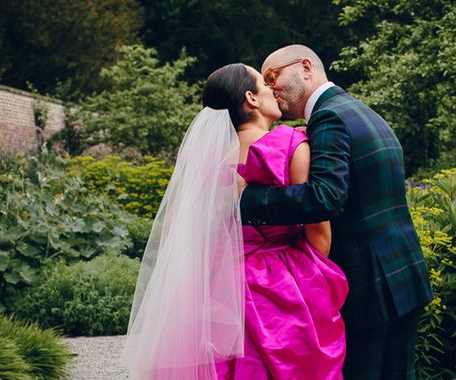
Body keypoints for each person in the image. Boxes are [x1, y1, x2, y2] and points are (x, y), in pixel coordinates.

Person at [123, 62, 347, 379]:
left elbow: (178, 227)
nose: (272, 90)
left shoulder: (207, 159)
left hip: (219, 284)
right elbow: (318, 233)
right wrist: (310, 284)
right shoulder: (291, 146)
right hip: (283, 284)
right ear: (251, 99)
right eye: (264, 85)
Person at [239, 45, 433, 380]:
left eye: (274, 76)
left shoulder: (328, 117)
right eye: (265, 82)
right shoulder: (358, 109)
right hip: (403, 277)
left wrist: (247, 202)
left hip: (369, 286)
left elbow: (326, 198)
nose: (270, 88)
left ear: (304, 67)